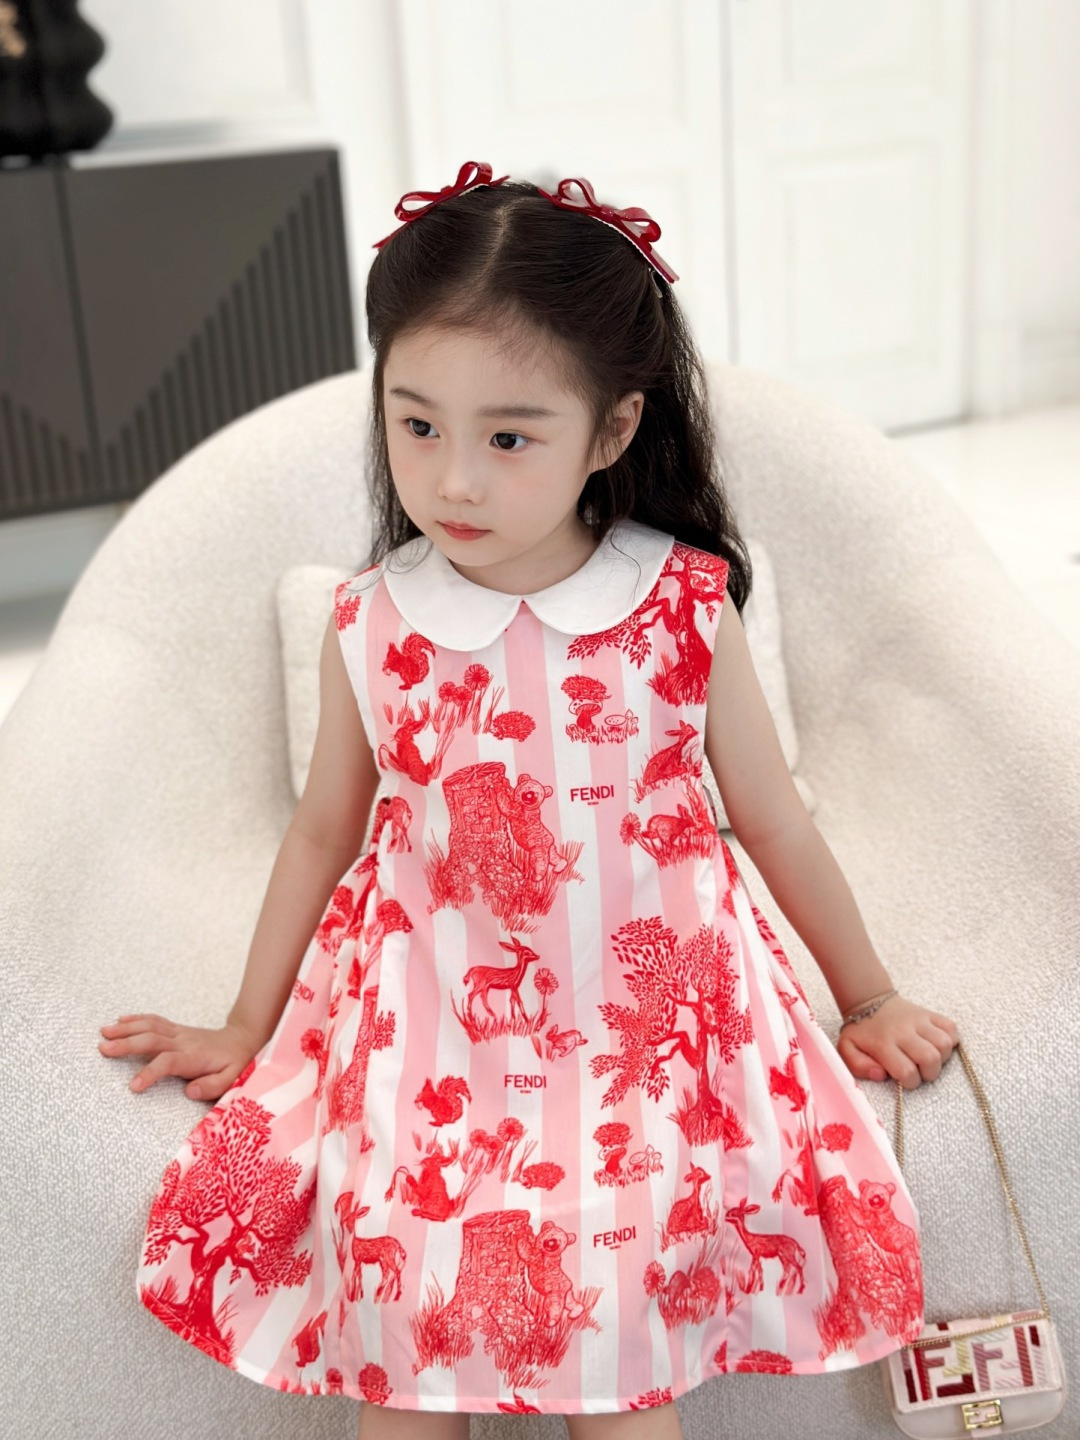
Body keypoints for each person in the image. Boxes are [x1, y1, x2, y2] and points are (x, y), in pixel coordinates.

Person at [99, 162, 959, 1440]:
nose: (453, 481)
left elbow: (774, 818)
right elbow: (326, 830)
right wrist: (245, 1025)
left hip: (641, 1034)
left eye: (508, 438)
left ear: (611, 431)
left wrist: (870, 995)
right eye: (417, 426)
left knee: (618, 1359)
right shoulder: (375, 621)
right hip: (433, 1015)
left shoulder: (679, 607)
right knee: (401, 1339)